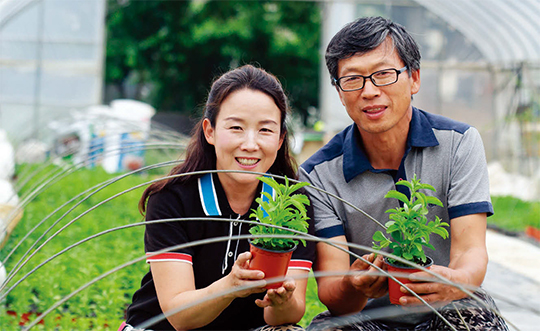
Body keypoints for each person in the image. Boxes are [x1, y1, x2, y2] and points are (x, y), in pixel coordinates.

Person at [299, 17, 508, 330]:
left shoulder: (459, 144)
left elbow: (470, 251)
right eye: (353, 79)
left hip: (448, 307)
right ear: (340, 93)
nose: (369, 91)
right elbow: (332, 292)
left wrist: (455, 280)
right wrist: (355, 285)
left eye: (383, 74)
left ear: (414, 79)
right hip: (369, 317)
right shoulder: (318, 174)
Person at [121, 65, 315, 331]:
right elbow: (180, 317)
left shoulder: (292, 204)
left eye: (265, 130)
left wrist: (281, 302)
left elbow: (286, 315)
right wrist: (230, 286)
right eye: (236, 127)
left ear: (281, 139)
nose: (250, 144)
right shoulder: (173, 198)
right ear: (209, 131)